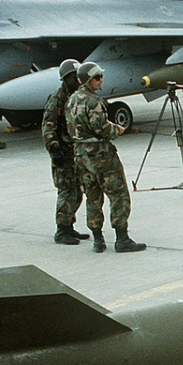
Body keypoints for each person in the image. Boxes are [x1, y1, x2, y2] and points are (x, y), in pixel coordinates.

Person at [66, 61, 146, 253]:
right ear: (88, 81)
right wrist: (117, 130)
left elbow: (73, 127)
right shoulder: (93, 101)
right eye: (97, 77)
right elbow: (101, 128)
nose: (101, 80)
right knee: (118, 194)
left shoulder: (72, 99)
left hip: (81, 155)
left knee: (92, 196)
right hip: (101, 155)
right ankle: (122, 239)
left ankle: (98, 240)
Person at [42, 58, 97, 245]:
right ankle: (62, 230)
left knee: (77, 192)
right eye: (73, 77)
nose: (77, 80)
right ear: (65, 79)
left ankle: (69, 226)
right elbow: (48, 126)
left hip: (77, 152)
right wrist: (54, 149)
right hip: (63, 153)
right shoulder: (57, 99)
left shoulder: (79, 97)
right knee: (66, 191)